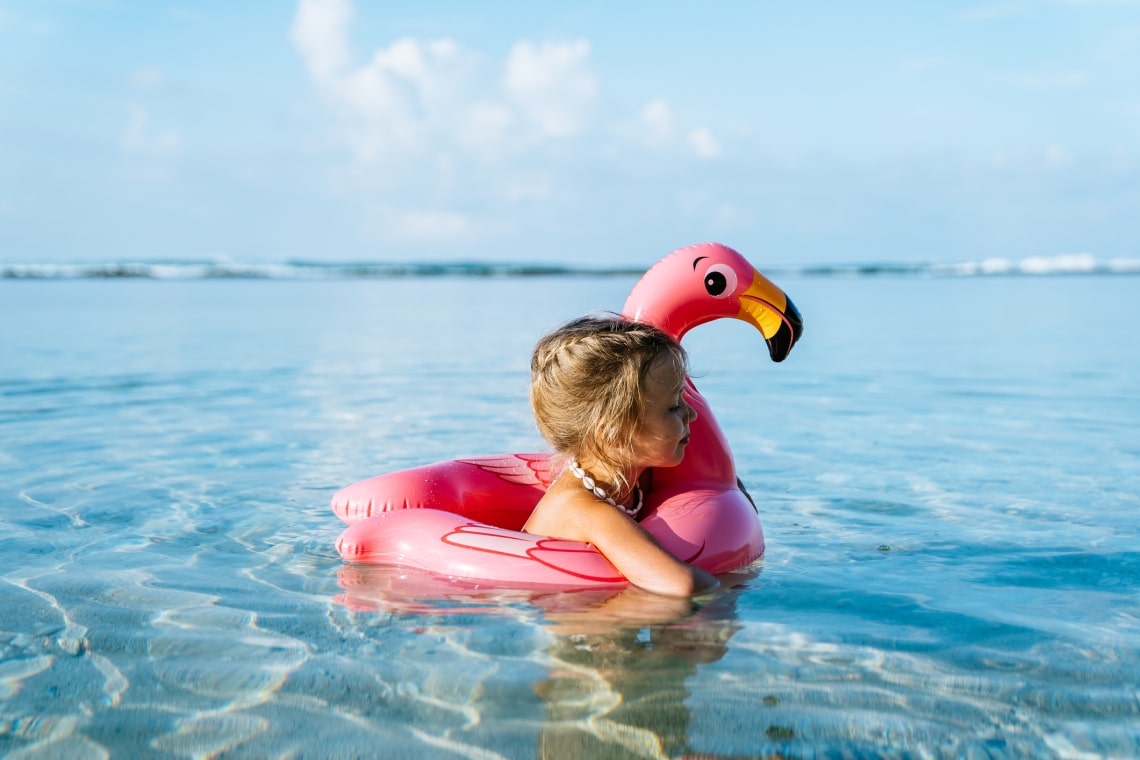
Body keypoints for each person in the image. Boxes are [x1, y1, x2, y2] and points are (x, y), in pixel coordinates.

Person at [523, 315, 719, 597]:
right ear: (613, 433)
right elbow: (681, 585)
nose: (692, 414)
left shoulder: (638, 479)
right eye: (674, 406)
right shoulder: (584, 511)